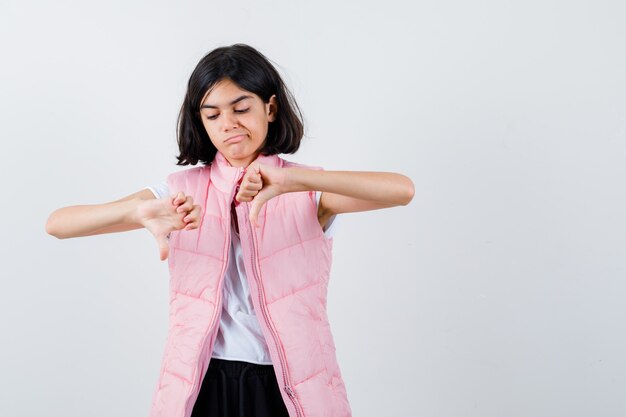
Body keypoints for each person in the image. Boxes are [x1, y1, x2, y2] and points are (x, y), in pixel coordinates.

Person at [46, 43, 414, 417]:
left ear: (270, 108)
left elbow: (401, 191)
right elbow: (58, 224)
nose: (228, 124)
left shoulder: (307, 191)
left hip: (289, 385)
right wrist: (137, 211)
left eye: (241, 109)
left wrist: (292, 180)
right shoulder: (179, 193)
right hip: (202, 382)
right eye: (213, 115)